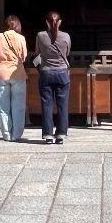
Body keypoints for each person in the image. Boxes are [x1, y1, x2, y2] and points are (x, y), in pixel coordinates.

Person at [34, 10, 72, 144]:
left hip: (46, 73)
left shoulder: (40, 36)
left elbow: (37, 53)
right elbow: (67, 53)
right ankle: (61, 134)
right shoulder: (66, 36)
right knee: (63, 105)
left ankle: (48, 135)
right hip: (62, 73)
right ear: (60, 22)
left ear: (46, 22)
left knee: (46, 105)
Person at [0, 15, 29, 141]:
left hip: (1, 73)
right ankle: (17, 134)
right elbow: (24, 57)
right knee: (18, 106)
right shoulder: (21, 38)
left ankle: (6, 134)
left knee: (3, 106)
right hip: (17, 73)